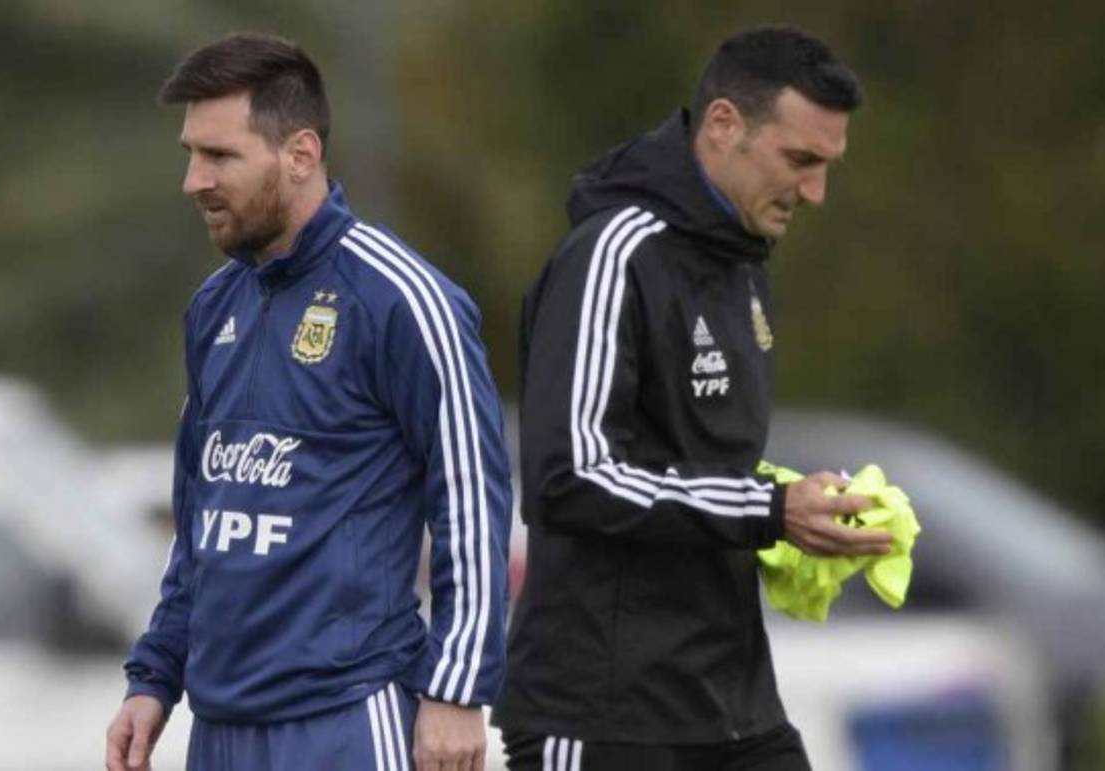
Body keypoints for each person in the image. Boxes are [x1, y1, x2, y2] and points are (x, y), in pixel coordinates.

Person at [104, 33, 512, 771]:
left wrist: (457, 688)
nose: (194, 180)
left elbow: (471, 496)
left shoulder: (401, 298)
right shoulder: (213, 308)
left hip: (345, 718)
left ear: (300, 154)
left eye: (219, 156)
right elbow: (201, 523)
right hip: (219, 728)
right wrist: (156, 672)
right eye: (191, 154)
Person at [491, 26, 892, 771]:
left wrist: (804, 508)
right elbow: (569, 476)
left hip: (732, 706)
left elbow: (697, 463)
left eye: (827, 166)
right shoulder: (612, 254)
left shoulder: (743, 263)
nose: (815, 192)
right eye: (799, 161)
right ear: (723, 125)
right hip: (603, 713)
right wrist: (770, 509)